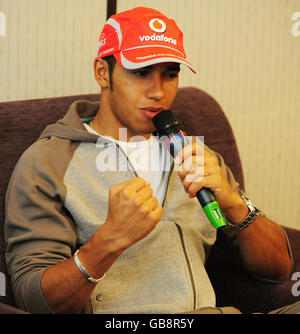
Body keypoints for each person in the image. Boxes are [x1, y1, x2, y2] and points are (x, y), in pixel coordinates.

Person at [4, 7, 296, 314]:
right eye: (141, 73)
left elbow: (277, 269)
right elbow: (33, 301)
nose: (158, 92)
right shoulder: (48, 162)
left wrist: (234, 203)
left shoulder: (195, 155)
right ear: (103, 72)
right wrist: (108, 241)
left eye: (169, 74)